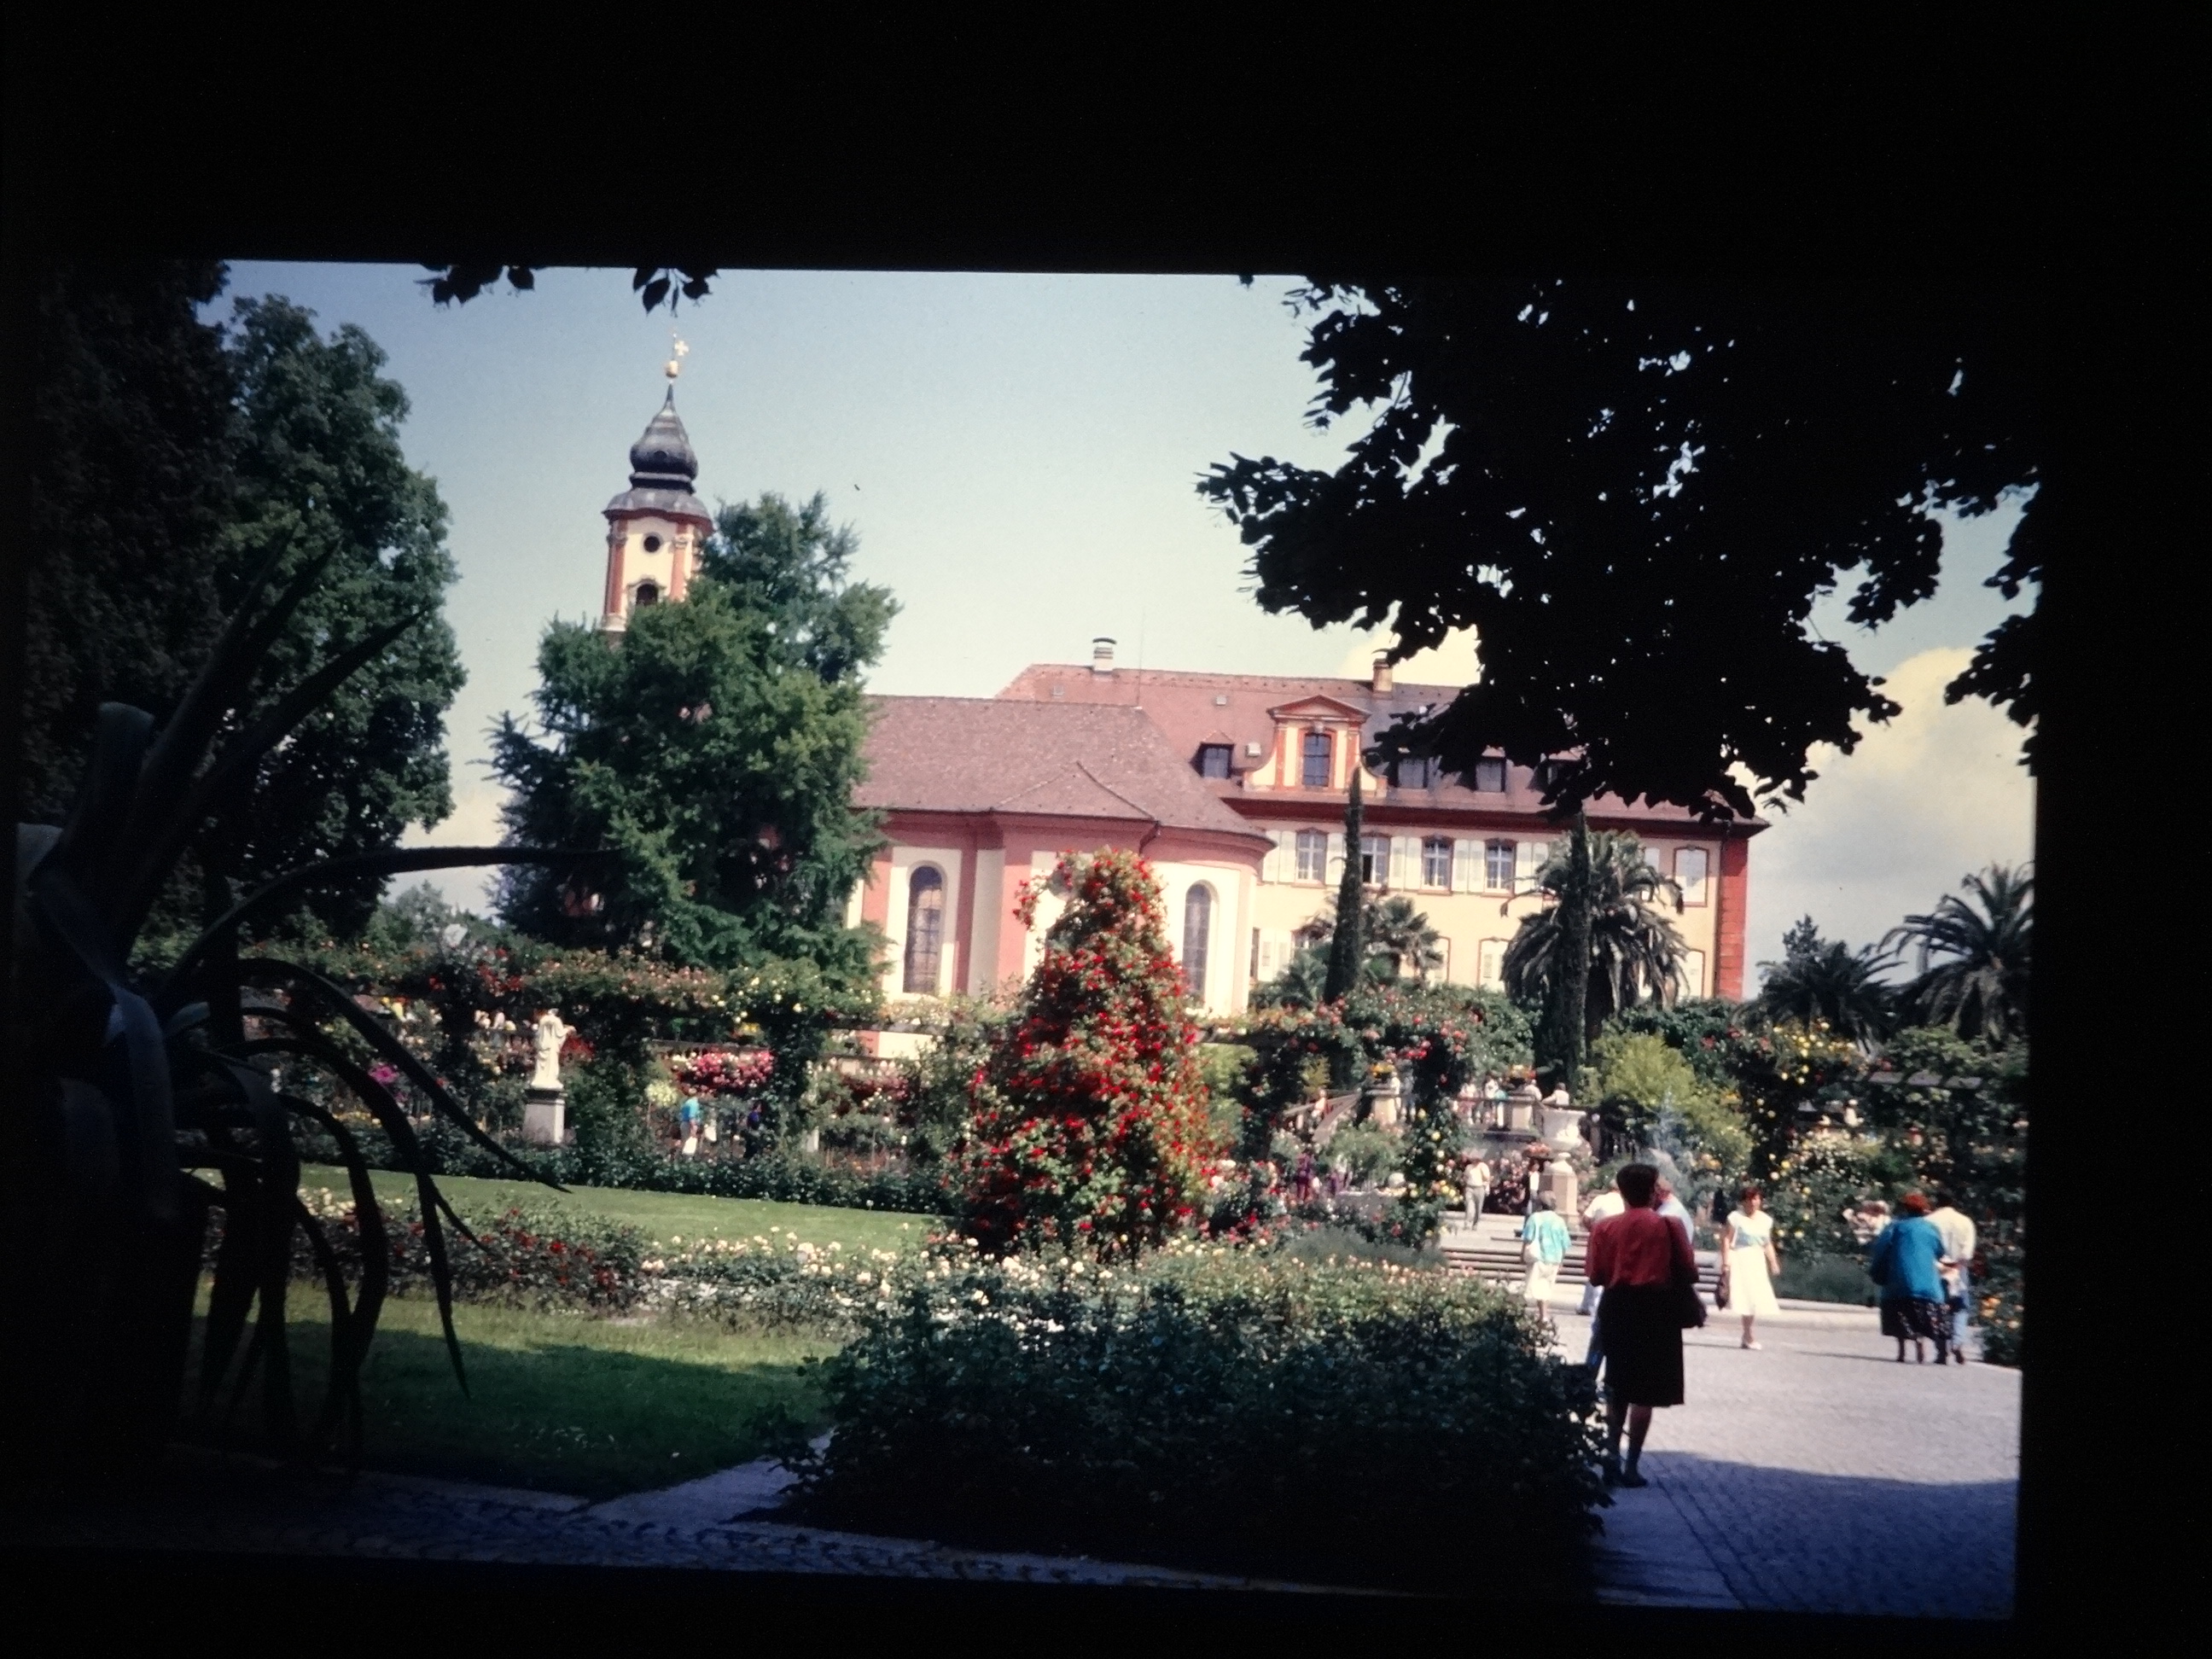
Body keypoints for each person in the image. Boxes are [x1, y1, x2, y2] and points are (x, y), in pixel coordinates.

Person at [1586, 1162, 1697, 1487]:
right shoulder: (1670, 1226)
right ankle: (1632, 1466)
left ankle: (1610, 1457)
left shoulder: (1604, 1228)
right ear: (1652, 1191)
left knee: (1616, 1385)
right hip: (1656, 1310)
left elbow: (1596, 1276)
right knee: (1645, 1392)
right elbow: (1689, 1272)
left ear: (1621, 1192)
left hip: (1617, 1307)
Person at [1868, 1190, 1950, 1364]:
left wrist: (1876, 1271)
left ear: (1905, 1209)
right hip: (1926, 1284)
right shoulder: (1931, 1229)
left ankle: (1902, 1351)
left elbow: (1881, 1249)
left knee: (1898, 1311)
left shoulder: (1895, 1227)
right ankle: (1924, 1341)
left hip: (1898, 1281)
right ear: (1924, 1210)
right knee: (1933, 1309)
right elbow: (1940, 1251)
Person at [1721, 1186, 1783, 1349]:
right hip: (1741, 1258)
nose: (1752, 1203)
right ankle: (1748, 1334)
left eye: (1756, 1199)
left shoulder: (1765, 1220)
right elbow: (1727, 1239)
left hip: (1757, 1260)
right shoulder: (1735, 1217)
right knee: (1746, 1297)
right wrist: (1726, 1261)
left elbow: (1766, 1243)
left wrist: (1773, 1262)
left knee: (1755, 1298)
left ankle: (1747, 1333)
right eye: (1749, 1199)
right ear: (1743, 1202)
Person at [1579, 1179, 1631, 1366]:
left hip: (1600, 1237)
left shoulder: (1600, 1200)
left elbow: (1585, 1217)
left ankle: (1589, 1305)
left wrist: (1593, 1229)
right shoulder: (1625, 1204)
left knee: (1595, 1274)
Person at [1927, 1190, 1978, 1365]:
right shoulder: (1965, 1222)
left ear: (1937, 1203)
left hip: (1935, 1268)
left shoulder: (1928, 1221)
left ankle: (1941, 1350)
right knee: (1960, 1307)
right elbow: (1967, 1252)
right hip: (1958, 1267)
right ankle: (1957, 1342)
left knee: (1937, 1308)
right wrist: (1958, 1264)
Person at [1519, 1195, 1572, 1330]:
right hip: (1554, 1258)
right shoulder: (1559, 1221)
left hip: (1538, 1257)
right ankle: (1544, 1316)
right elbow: (1564, 1243)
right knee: (1546, 1288)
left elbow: (1527, 1238)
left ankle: (1521, 1314)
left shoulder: (1535, 1218)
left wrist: (1522, 1254)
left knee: (1530, 1287)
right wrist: (1561, 1261)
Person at [1464, 1154, 1493, 1222]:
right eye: (1473, 1160)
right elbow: (1465, 1176)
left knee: (1478, 1207)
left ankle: (1475, 1223)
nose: (1475, 1161)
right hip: (1470, 1187)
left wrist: (1482, 1170)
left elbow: (1487, 1178)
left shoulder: (1483, 1166)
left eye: (1476, 1160)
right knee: (1469, 1204)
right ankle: (1467, 1222)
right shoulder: (1469, 1167)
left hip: (1480, 1188)